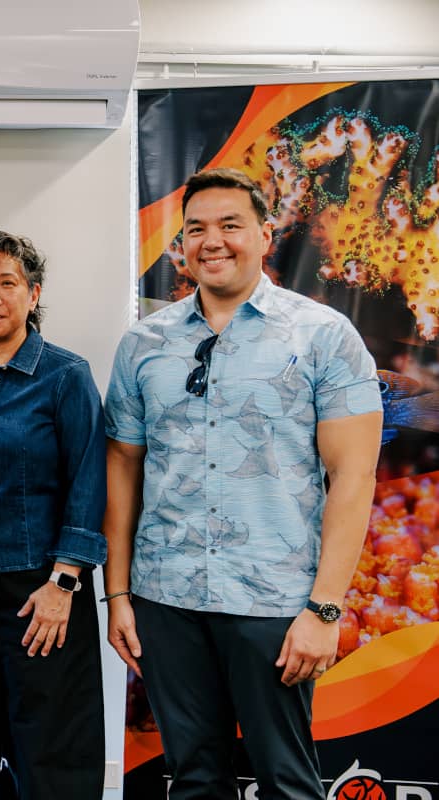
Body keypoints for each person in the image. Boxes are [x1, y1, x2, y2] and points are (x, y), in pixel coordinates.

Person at [103, 167, 383, 798]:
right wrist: (118, 594)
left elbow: (354, 474)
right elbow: (122, 462)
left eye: (231, 225)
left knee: (287, 780)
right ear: (181, 244)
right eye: (196, 229)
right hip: (166, 598)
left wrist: (324, 609)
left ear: (265, 233)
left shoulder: (323, 335)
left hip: (276, 602)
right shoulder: (144, 343)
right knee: (194, 777)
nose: (213, 241)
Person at [0, 228, 107, 798]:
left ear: (33, 294)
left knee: (50, 755)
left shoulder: (65, 375)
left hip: (42, 593)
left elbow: (89, 481)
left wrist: (64, 583)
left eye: (8, 283)